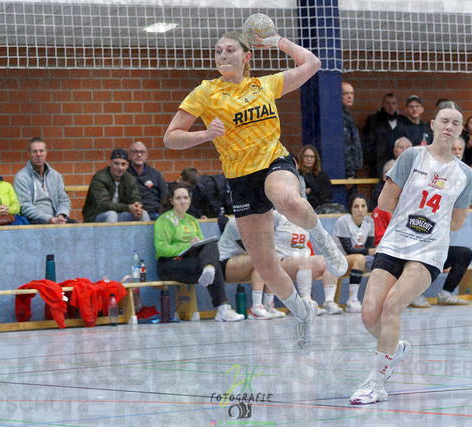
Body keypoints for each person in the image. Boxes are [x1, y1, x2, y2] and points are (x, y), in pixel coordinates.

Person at [163, 30, 348, 356]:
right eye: (218, 50)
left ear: (246, 56)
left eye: (229, 49)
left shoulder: (265, 85)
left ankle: (324, 241)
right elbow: (171, 137)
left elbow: (312, 64)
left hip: (274, 162)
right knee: (265, 265)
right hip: (240, 178)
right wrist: (204, 135)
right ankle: (302, 311)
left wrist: (277, 40)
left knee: (285, 198)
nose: (222, 55)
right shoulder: (206, 92)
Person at [350, 101, 472, 405]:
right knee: (369, 314)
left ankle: (376, 383)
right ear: (432, 124)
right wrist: (411, 216)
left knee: (392, 306)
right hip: (395, 243)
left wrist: (430, 225)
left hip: (429, 252)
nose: (449, 126)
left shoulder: (465, 174)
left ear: (461, 131)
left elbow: (457, 223)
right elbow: (385, 202)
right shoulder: (411, 157)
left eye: (455, 123)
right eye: (444, 120)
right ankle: (394, 349)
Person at [155, 185, 243, 322]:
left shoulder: (192, 220)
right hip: (169, 264)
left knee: (211, 245)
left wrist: (197, 244)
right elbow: (161, 249)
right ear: (172, 201)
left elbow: (203, 246)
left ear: (190, 200)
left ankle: (209, 269)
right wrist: (186, 246)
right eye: (178, 198)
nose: (183, 201)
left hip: (189, 261)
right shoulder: (164, 220)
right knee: (213, 264)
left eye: (185, 198)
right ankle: (222, 309)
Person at [13, 137, 75, 224]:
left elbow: (64, 199)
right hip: (33, 220)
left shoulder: (55, 175)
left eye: (41, 151)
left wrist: (61, 215)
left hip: (56, 218)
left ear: (46, 153)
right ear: (28, 154)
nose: (38, 154)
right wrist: (50, 219)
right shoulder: (21, 177)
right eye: (35, 151)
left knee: (76, 227)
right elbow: (25, 206)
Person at [332, 194, 376, 313]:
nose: (360, 210)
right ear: (350, 209)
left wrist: (371, 251)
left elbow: (370, 246)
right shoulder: (343, 221)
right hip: (339, 260)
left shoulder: (369, 221)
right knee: (359, 258)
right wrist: (369, 251)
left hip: (359, 259)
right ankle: (352, 300)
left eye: (363, 206)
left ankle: (379, 301)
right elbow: (349, 250)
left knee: (383, 261)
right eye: (356, 206)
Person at [82, 149, 151, 222]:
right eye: (116, 163)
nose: (120, 167)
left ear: (127, 165)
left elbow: (135, 197)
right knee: (112, 214)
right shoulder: (100, 178)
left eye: (123, 164)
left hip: (120, 214)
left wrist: (137, 206)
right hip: (96, 216)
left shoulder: (130, 179)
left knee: (143, 214)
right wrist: (128, 208)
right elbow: (104, 205)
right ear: (110, 163)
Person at [127, 141, 169, 221]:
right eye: (135, 152)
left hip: (155, 212)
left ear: (146, 155)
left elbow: (165, 196)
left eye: (142, 152)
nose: (139, 155)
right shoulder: (124, 174)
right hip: (135, 213)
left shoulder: (155, 174)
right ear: (130, 155)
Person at [363, 93, 402, 178]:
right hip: (379, 167)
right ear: (383, 104)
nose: (391, 106)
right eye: (388, 103)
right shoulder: (373, 121)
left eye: (393, 103)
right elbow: (367, 145)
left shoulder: (402, 121)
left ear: (397, 105)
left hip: (399, 166)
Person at [298, 145, 334, 211]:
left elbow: (328, 193)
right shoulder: (297, 174)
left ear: (316, 159)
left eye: (312, 157)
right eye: (306, 156)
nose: (309, 159)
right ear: (301, 157)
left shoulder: (322, 175)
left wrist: (311, 191)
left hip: (320, 208)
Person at [342, 82, 363, 181]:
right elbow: (345, 146)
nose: (350, 96)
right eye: (346, 93)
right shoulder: (340, 117)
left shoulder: (348, 115)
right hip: (346, 173)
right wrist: (349, 172)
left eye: (351, 93)